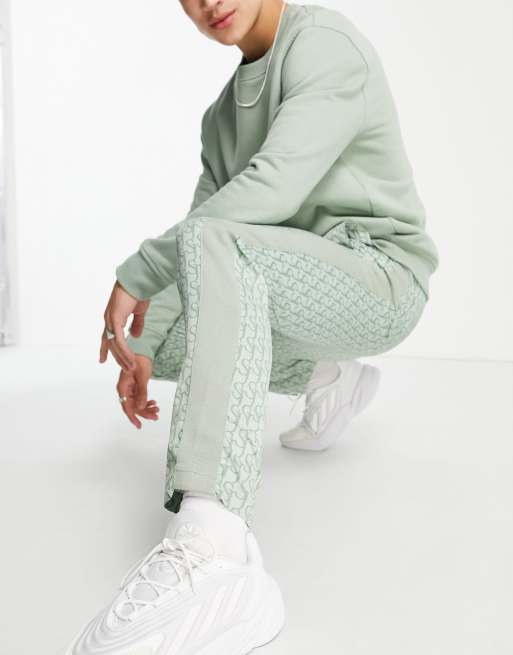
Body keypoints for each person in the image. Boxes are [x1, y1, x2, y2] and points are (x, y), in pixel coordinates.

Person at [65, 1, 439, 653]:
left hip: (380, 279)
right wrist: (144, 345)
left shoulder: (324, 45)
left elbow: (269, 191)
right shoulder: (220, 118)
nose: (210, 2)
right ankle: (327, 376)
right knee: (175, 327)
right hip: (294, 284)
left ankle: (215, 543)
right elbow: (200, 243)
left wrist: (138, 273)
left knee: (215, 244)